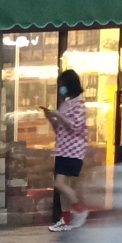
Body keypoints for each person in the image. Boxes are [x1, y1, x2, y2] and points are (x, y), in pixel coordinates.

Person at [44, 69, 89, 232]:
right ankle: (66, 219)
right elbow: (61, 129)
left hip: (73, 151)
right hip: (62, 150)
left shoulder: (79, 104)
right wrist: (51, 118)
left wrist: (58, 115)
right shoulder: (66, 104)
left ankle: (80, 209)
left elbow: (76, 126)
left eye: (62, 84)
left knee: (60, 184)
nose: (60, 88)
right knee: (63, 188)